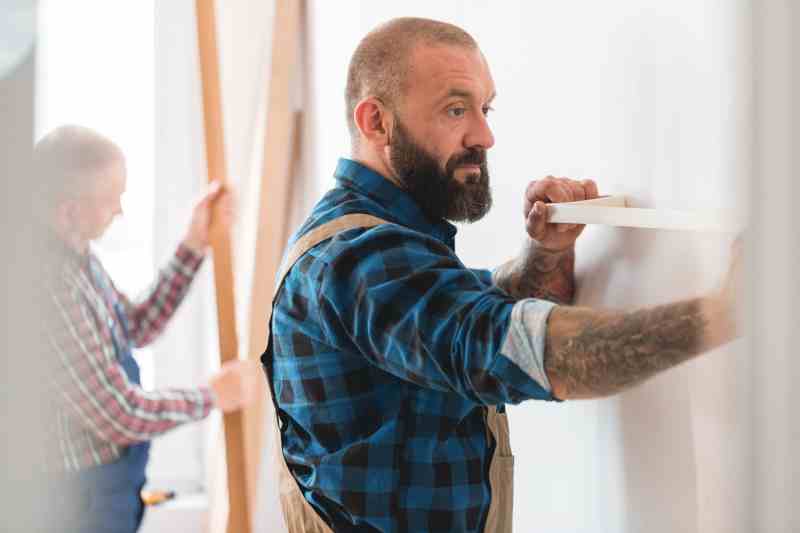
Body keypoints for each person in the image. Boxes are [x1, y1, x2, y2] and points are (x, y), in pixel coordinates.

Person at [262, 17, 742, 533]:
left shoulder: (394, 242)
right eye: (455, 109)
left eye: (484, 108)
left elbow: (455, 313)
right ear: (376, 122)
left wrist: (543, 256)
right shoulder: (356, 258)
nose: (484, 136)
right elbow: (490, 344)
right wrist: (725, 312)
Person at [38, 125, 259, 533]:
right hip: (73, 504)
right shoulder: (48, 288)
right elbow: (117, 413)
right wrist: (210, 396)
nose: (119, 210)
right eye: (110, 200)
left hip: (106, 492)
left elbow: (136, 325)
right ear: (69, 209)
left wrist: (194, 244)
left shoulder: (79, 259)